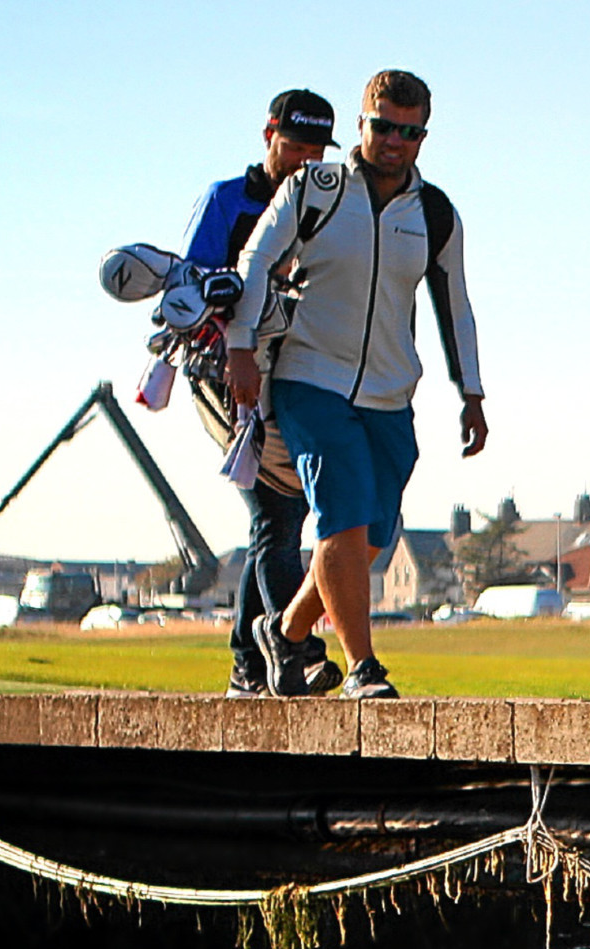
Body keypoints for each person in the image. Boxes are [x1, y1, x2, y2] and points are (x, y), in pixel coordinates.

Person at [226, 69, 489, 701]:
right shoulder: (314, 189)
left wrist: (472, 393)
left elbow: (456, 305)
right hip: (309, 377)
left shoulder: (434, 212)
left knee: (373, 535)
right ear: (361, 125)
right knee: (339, 520)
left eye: (410, 131)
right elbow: (254, 263)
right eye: (383, 127)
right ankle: (364, 669)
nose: (395, 142)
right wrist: (239, 348)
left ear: (424, 134)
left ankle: (285, 632)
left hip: (391, 392)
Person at [182, 88, 337, 699]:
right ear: (268, 135)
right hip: (227, 377)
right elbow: (189, 285)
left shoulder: (325, 203)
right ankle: (298, 650)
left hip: (295, 373)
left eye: (315, 150)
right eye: (294, 146)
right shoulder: (227, 200)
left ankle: (249, 666)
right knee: (275, 511)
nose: (304, 160)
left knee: (279, 520)